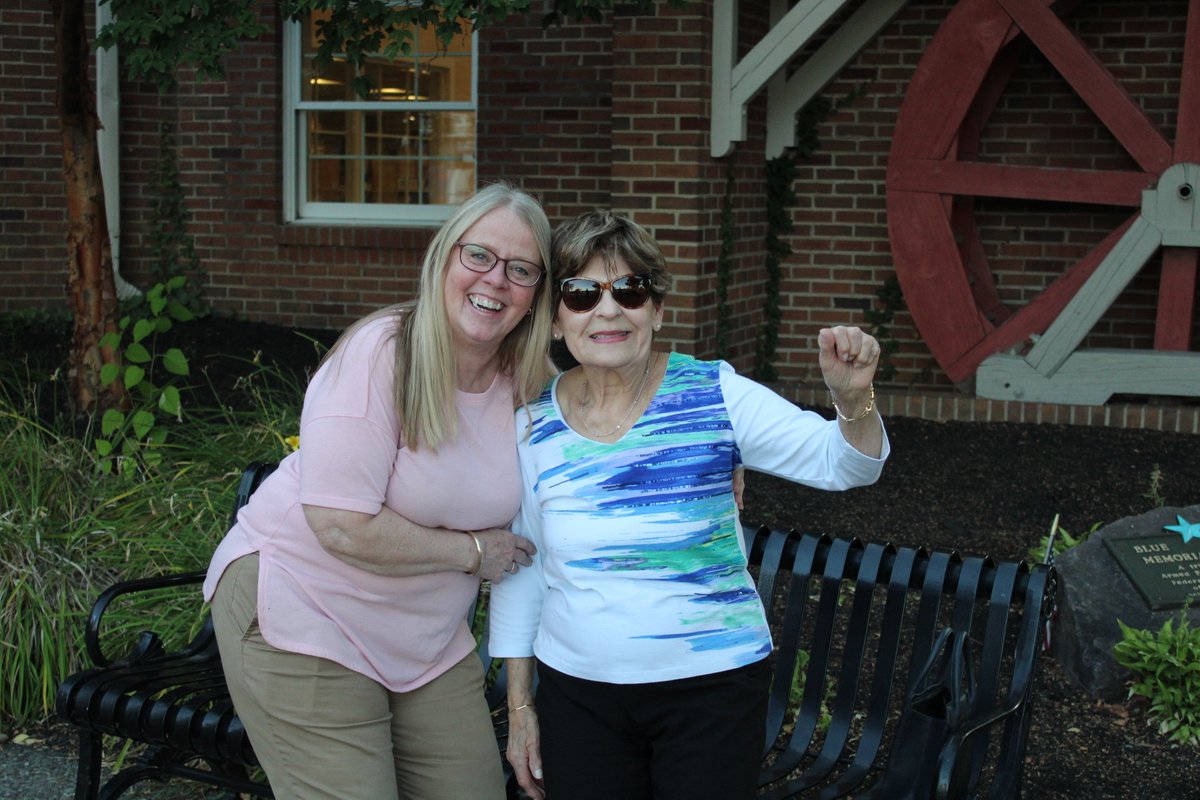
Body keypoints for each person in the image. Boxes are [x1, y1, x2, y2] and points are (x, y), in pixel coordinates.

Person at [488, 210, 890, 800]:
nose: (608, 310)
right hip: (579, 696)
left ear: (656, 308)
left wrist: (854, 402)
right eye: (581, 293)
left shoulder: (714, 394)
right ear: (553, 318)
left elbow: (845, 465)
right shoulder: (533, 423)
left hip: (711, 691)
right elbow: (523, 570)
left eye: (629, 289)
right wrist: (521, 704)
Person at [203, 182, 556, 800]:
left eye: (521, 269)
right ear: (444, 260)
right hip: (307, 609)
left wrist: (721, 448)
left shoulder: (529, 381)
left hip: (424, 638)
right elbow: (339, 523)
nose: (496, 279)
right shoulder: (382, 353)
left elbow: (614, 419)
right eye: (479, 256)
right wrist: (472, 553)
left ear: (536, 296)